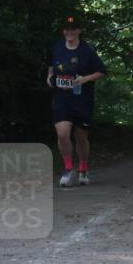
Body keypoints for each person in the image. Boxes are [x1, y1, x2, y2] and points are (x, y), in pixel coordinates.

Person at [47, 15, 107, 186]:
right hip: (61, 98)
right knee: (62, 134)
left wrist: (85, 79)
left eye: (73, 29)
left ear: (79, 31)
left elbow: (101, 71)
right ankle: (68, 168)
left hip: (82, 100)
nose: (70, 32)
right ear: (63, 31)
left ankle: (83, 168)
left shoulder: (87, 50)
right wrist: (49, 77)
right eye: (67, 29)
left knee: (81, 138)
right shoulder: (58, 46)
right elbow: (52, 66)